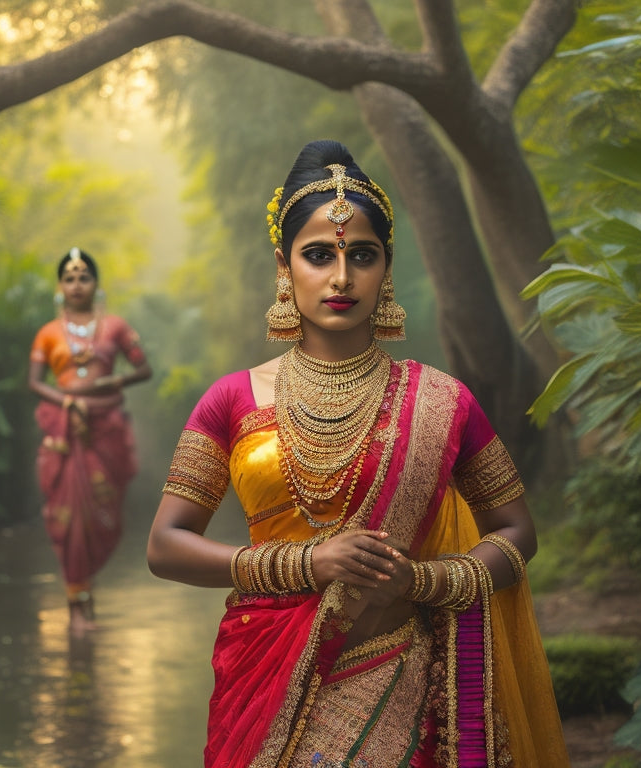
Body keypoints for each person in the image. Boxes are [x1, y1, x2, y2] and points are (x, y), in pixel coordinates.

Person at [147, 141, 570, 767]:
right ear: (285, 267)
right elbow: (165, 546)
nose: (341, 277)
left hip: (403, 675)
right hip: (263, 676)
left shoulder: (442, 401)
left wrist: (424, 580)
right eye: (318, 255)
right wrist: (307, 564)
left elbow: (515, 531)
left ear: (386, 269)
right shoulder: (230, 400)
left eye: (361, 255)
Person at [29, 248, 152, 634]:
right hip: (66, 431)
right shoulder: (48, 333)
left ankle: (87, 595)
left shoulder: (115, 326)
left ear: (95, 283)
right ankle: (76, 607)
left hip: (106, 429)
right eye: (69, 277)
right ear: (60, 286)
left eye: (84, 277)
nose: (77, 284)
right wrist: (68, 401)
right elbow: (33, 382)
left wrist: (114, 381)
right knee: (70, 518)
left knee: (101, 514)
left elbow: (143, 368)